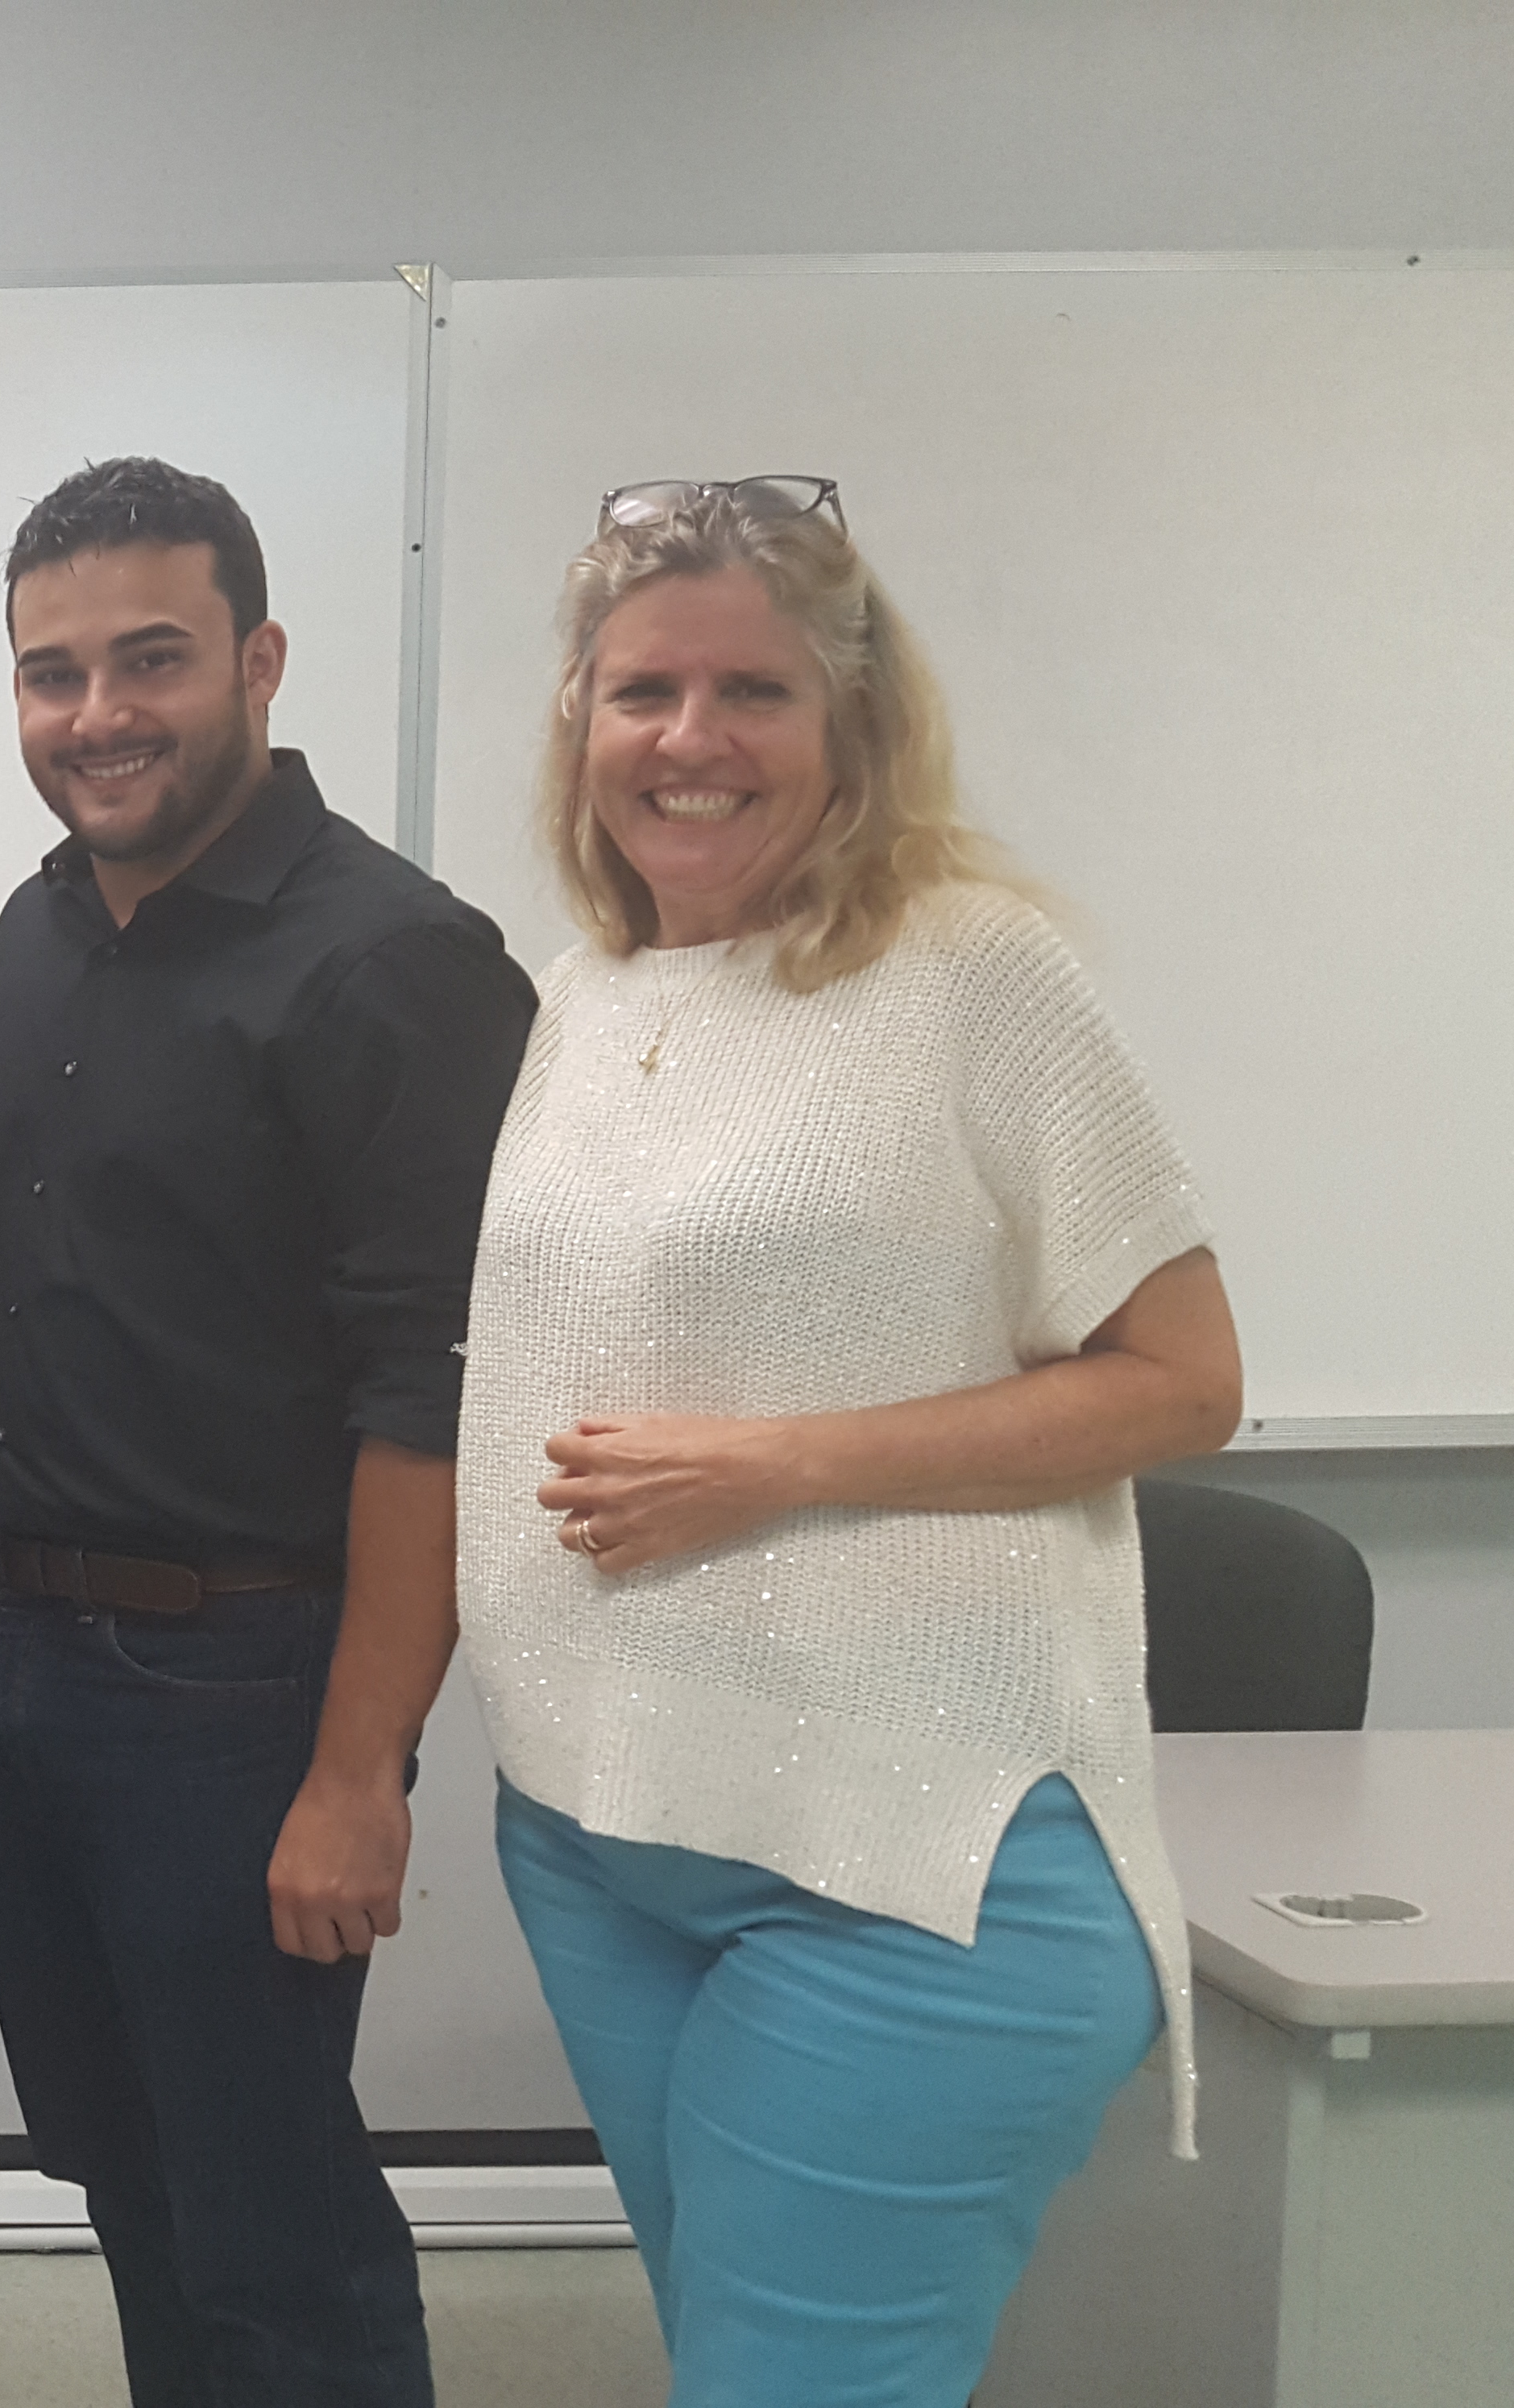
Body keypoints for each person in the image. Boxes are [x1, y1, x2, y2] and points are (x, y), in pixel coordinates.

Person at [462, 477, 1238, 2404]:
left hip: (908, 1855)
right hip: (598, 1827)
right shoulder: (585, 989)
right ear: (578, 721)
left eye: (755, 692)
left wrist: (773, 1462)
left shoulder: (975, 974)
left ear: (851, 726)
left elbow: (1182, 1380)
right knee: (737, 2360)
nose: (690, 742)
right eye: (642, 691)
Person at [0, 456, 534, 2406]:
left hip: (238, 1683)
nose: (96, 716)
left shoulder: (390, 961)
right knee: (132, 2186)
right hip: (23, 1652)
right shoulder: (39, 930)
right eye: (52, 673)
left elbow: (431, 1393)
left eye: (149, 660)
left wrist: (359, 1770)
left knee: (273, 2225)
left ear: (259, 660)